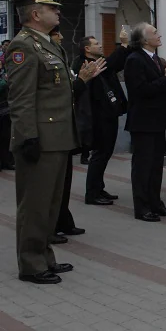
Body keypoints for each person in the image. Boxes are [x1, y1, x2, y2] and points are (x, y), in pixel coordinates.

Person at [6, 0, 78, 284]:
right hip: (40, 140)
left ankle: (45, 256)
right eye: (52, 8)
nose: (58, 11)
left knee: (50, 204)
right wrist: (28, 138)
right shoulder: (23, 47)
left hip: (57, 137)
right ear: (36, 14)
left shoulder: (46, 44)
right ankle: (31, 265)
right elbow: (20, 99)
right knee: (35, 205)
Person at [124, 22, 166, 222]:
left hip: (159, 121)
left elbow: (163, 87)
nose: (159, 35)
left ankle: (155, 203)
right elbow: (141, 90)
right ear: (143, 40)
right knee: (143, 166)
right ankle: (141, 207)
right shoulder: (134, 59)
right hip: (143, 122)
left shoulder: (157, 60)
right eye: (154, 33)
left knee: (156, 165)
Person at [49, 28, 107, 244]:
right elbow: (56, 93)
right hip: (51, 129)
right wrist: (82, 80)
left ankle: (63, 221)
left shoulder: (58, 55)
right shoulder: (32, 51)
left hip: (64, 128)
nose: (62, 37)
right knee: (51, 186)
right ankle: (50, 227)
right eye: (56, 34)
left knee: (64, 182)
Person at [79, 30, 130, 205]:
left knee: (105, 153)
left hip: (108, 114)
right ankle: (92, 193)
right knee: (100, 154)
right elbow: (112, 62)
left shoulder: (98, 63)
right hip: (98, 117)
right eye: (96, 44)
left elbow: (113, 64)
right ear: (87, 48)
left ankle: (99, 187)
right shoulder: (86, 65)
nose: (100, 45)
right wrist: (123, 44)